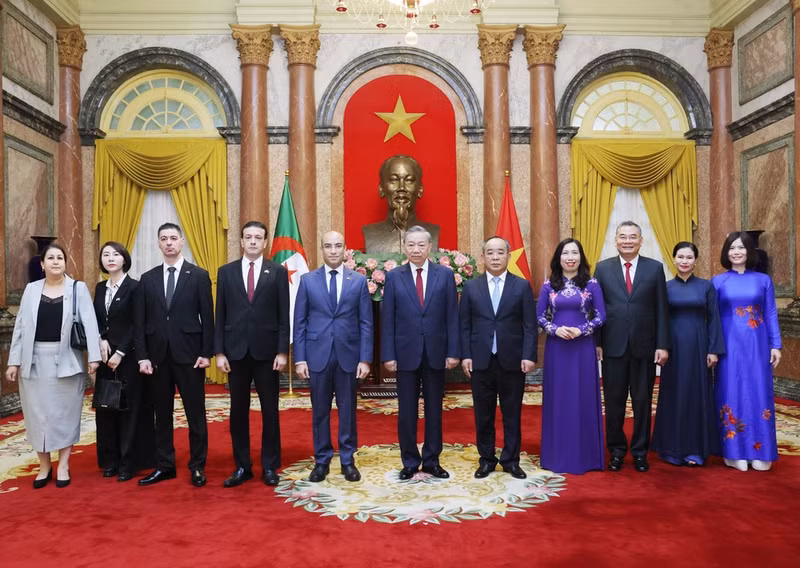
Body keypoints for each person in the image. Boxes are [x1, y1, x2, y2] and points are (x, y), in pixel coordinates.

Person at [5, 243, 101, 488]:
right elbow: (21, 328)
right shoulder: (31, 289)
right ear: (42, 264)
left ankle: (65, 464)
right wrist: (13, 361)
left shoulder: (77, 289)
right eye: (50, 258)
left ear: (65, 263)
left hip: (67, 360)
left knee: (65, 414)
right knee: (37, 416)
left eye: (60, 257)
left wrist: (93, 357)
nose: (55, 261)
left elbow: (90, 324)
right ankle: (44, 466)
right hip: (34, 360)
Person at [134, 223, 213, 487]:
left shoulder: (199, 276)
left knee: (195, 414)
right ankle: (165, 465)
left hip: (190, 356)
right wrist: (142, 356)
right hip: (157, 358)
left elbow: (208, 319)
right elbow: (140, 322)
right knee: (162, 414)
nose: (169, 243)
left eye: (173, 238)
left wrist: (206, 352)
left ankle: (198, 466)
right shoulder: (148, 279)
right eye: (163, 239)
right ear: (158, 243)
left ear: (182, 242)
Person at [294, 231, 373, 483]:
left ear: (345, 249)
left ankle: (348, 460)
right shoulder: (308, 280)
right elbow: (300, 322)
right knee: (320, 411)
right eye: (328, 246)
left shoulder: (358, 281)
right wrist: (300, 358)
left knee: (348, 410)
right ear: (322, 249)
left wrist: (365, 358)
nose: (333, 250)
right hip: (317, 356)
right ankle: (321, 460)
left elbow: (365, 323)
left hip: (349, 357)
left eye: (338, 246)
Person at [382, 225, 460, 480]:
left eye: (421, 245)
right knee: (406, 411)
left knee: (435, 410)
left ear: (430, 247)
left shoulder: (445, 275)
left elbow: (452, 317)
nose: (416, 249)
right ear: (404, 247)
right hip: (405, 354)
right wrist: (388, 354)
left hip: (436, 353)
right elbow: (388, 319)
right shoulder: (394, 277)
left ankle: (431, 460)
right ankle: (409, 461)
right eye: (411, 245)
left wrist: (453, 352)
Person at [215, 221, 289, 488]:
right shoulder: (226, 272)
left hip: (268, 353)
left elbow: (284, 315)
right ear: (242, 241)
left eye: (258, 237)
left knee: (270, 411)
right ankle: (242, 465)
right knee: (238, 411)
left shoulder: (278, 272)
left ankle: (269, 465)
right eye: (249, 237)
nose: (254, 241)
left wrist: (283, 350)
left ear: (266, 242)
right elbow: (220, 313)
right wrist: (219, 351)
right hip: (235, 353)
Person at [594, 221, 670, 472]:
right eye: (623, 237)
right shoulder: (602, 269)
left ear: (641, 241)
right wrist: (598, 342)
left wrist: (662, 344)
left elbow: (661, 309)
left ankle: (639, 451)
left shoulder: (655, 268)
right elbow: (596, 309)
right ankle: (616, 450)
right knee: (614, 403)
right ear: (615, 241)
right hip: (613, 347)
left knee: (642, 402)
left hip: (644, 347)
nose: (627, 241)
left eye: (632, 237)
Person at [460, 236, 536, 479]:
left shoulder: (522, 286)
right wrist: (465, 356)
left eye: (500, 252)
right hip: (481, 361)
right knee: (484, 415)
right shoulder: (471, 287)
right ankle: (487, 460)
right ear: (482, 257)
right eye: (490, 253)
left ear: (508, 256)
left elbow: (530, 326)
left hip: (513, 361)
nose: (495, 257)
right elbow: (464, 325)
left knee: (512, 413)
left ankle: (511, 460)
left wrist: (529, 355)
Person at [712, 232, 782, 472]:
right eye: (732, 248)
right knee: (731, 390)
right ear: (726, 252)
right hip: (728, 345)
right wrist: (712, 348)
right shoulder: (718, 282)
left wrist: (776, 345)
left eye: (741, 248)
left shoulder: (763, 281)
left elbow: (771, 313)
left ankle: (761, 451)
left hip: (757, 343)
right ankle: (733, 452)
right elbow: (711, 319)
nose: (736, 252)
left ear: (749, 251)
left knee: (759, 392)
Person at [537, 238, 606, 474]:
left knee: (582, 396)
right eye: (565, 253)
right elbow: (539, 317)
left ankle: (586, 456)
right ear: (558, 258)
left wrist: (582, 329)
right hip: (557, 349)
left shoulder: (592, 284)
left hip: (583, 348)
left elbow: (601, 316)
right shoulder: (548, 285)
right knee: (559, 398)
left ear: (581, 257)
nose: (570, 257)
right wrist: (554, 329)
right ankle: (557, 456)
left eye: (575, 253)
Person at [651, 242, 724, 467]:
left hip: (699, 345)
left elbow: (714, 319)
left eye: (689, 257)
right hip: (672, 347)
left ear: (695, 260)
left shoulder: (706, 286)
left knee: (697, 394)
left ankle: (696, 449)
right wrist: (660, 346)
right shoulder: (665, 287)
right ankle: (671, 449)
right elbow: (658, 319)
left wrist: (713, 350)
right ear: (673, 259)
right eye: (680, 256)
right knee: (674, 393)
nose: (684, 261)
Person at [93, 242, 155, 481]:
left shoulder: (135, 287)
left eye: (115, 254)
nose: (110, 258)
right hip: (105, 357)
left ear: (124, 259)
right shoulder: (99, 288)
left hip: (128, 358)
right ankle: (111, 461)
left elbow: (137, 324)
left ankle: (129, 462)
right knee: (107, 408)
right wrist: (100, 339)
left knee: (130, 410)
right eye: (106, 254)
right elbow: (96, 318)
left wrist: (120, 352)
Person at [362, 155, 440, 252]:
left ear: (420, 189)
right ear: (381, 189)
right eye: (394, 180)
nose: (401, 188)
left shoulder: (433, 231)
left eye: (409, 180)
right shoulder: (370, 233)